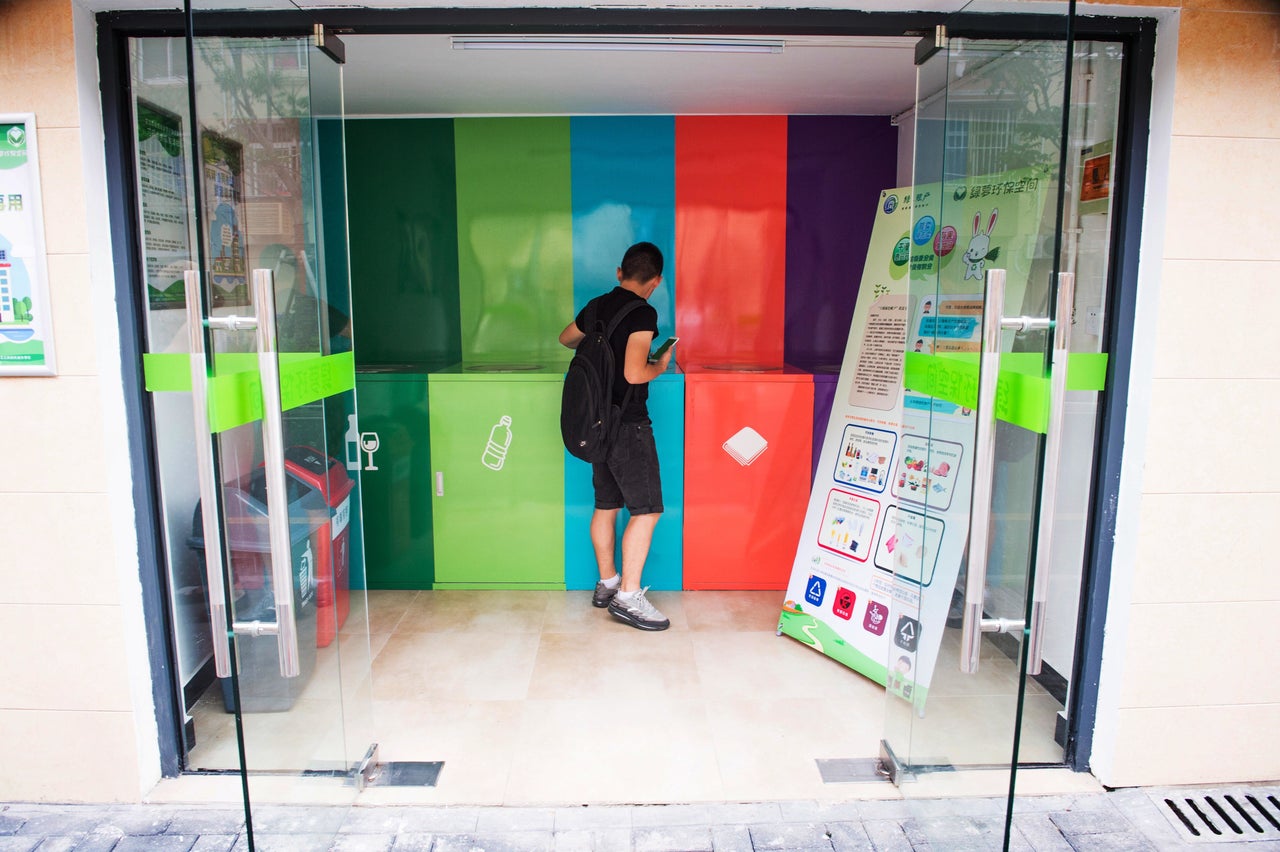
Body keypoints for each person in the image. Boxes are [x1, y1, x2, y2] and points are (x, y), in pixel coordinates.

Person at [558, 242, 673, 631]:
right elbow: (633, 374)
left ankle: (607, 583)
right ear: (655, 282)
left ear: (619, 272)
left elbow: (565, 339)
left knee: (606, 504)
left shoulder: (596, 306)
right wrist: (659, 364)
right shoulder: (643, 312)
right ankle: (628, 596)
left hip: (595, 425)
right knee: (647, 509)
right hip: (628, 425)